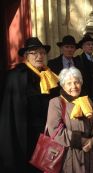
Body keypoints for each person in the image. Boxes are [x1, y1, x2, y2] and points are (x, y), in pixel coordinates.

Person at [0, 37, 59, 173]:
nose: (39, 56)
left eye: (43, 53)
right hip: (26, 135)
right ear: (26, 56)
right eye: (34, 53)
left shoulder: (50, 75)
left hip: (49, 133)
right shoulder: (16, 76)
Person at [47, 67, 93, 173]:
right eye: (69, 83)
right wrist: (83, 141)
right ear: (63, 85)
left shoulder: (87, 100)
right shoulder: (56, 102)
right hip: (68, 156)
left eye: (76, 82)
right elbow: (55, 131)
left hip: (89, 155)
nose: (74, 86)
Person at [76, 34, 93, 99]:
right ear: (83, 47)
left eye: (92, 44)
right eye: (88, 44)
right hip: (84, 93)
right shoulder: (78, 60)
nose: (91, 46)